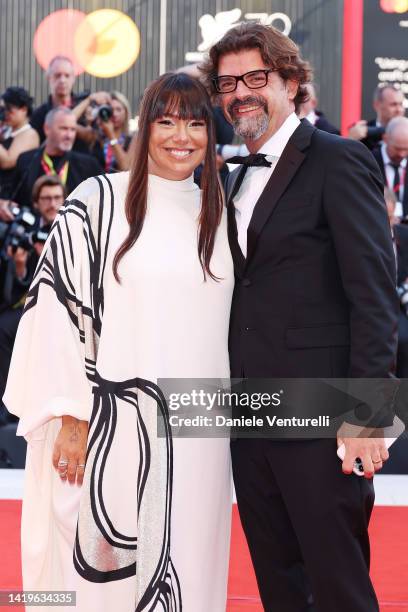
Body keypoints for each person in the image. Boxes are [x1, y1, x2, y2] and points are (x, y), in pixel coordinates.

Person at [3, 72, 233, 612]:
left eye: (197, 123)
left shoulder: (221, 215)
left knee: (187, 573)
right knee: (100, 578)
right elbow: (57, 309)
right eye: (167, 121)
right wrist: (70, 417)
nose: (183, 136)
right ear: (144, 126)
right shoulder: (99, 201)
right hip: (110, 429)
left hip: (198, 434)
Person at [201, 22, 398, 612]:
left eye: (255, 78)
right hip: (249, 414)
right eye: (228, 83)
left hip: (322, 415)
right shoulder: (232, 175)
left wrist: (369, 414)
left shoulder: (339, 160)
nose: (241, 93)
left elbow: (374, 294)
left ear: (291, 81)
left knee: (339, 586)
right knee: (279, 583)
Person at [0, 176, 65, 425]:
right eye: (47, 199)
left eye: (57, 198)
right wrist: (19, 266)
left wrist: (47, 260)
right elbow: (15, 289)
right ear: (37, 203)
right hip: (30, 306)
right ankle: (10, 404)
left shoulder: (75, 229)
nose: (52, 204)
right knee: (4, 328)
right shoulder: (25, 230)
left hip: (63, 307)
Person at [0, 107, 102, 219]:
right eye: (63, 129)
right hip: (34, 232)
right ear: (47, 129)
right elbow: (13, 198)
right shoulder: (26, 160)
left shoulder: (89, 165)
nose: (69, 135)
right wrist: (5, 205)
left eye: (73, 130)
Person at [30, 55, 111, 155]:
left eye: (67, 76)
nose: (62, 80)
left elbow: (93, 138)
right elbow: (36, 150)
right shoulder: (39, 114)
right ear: (48, 77)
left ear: (73, 78)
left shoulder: (89, 108)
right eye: (57, 75)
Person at [0, 87, 39, 197]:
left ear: (24, 109)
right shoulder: (7, 133)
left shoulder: (29, 134)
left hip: (14, 197)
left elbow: (8, 161)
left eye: (9, 109)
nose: (5, 113)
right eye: (3, 109)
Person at [372, 116, 408, 219]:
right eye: (397, 148)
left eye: (406, 149)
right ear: (385, 139)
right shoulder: (370, 161)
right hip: (379, 225)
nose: (402, 154)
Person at [348, 84, 405, 150]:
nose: (399, 110)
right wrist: (351, 141)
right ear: (377, 105)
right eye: (393, 105)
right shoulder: (361, 135)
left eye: (401, 104)